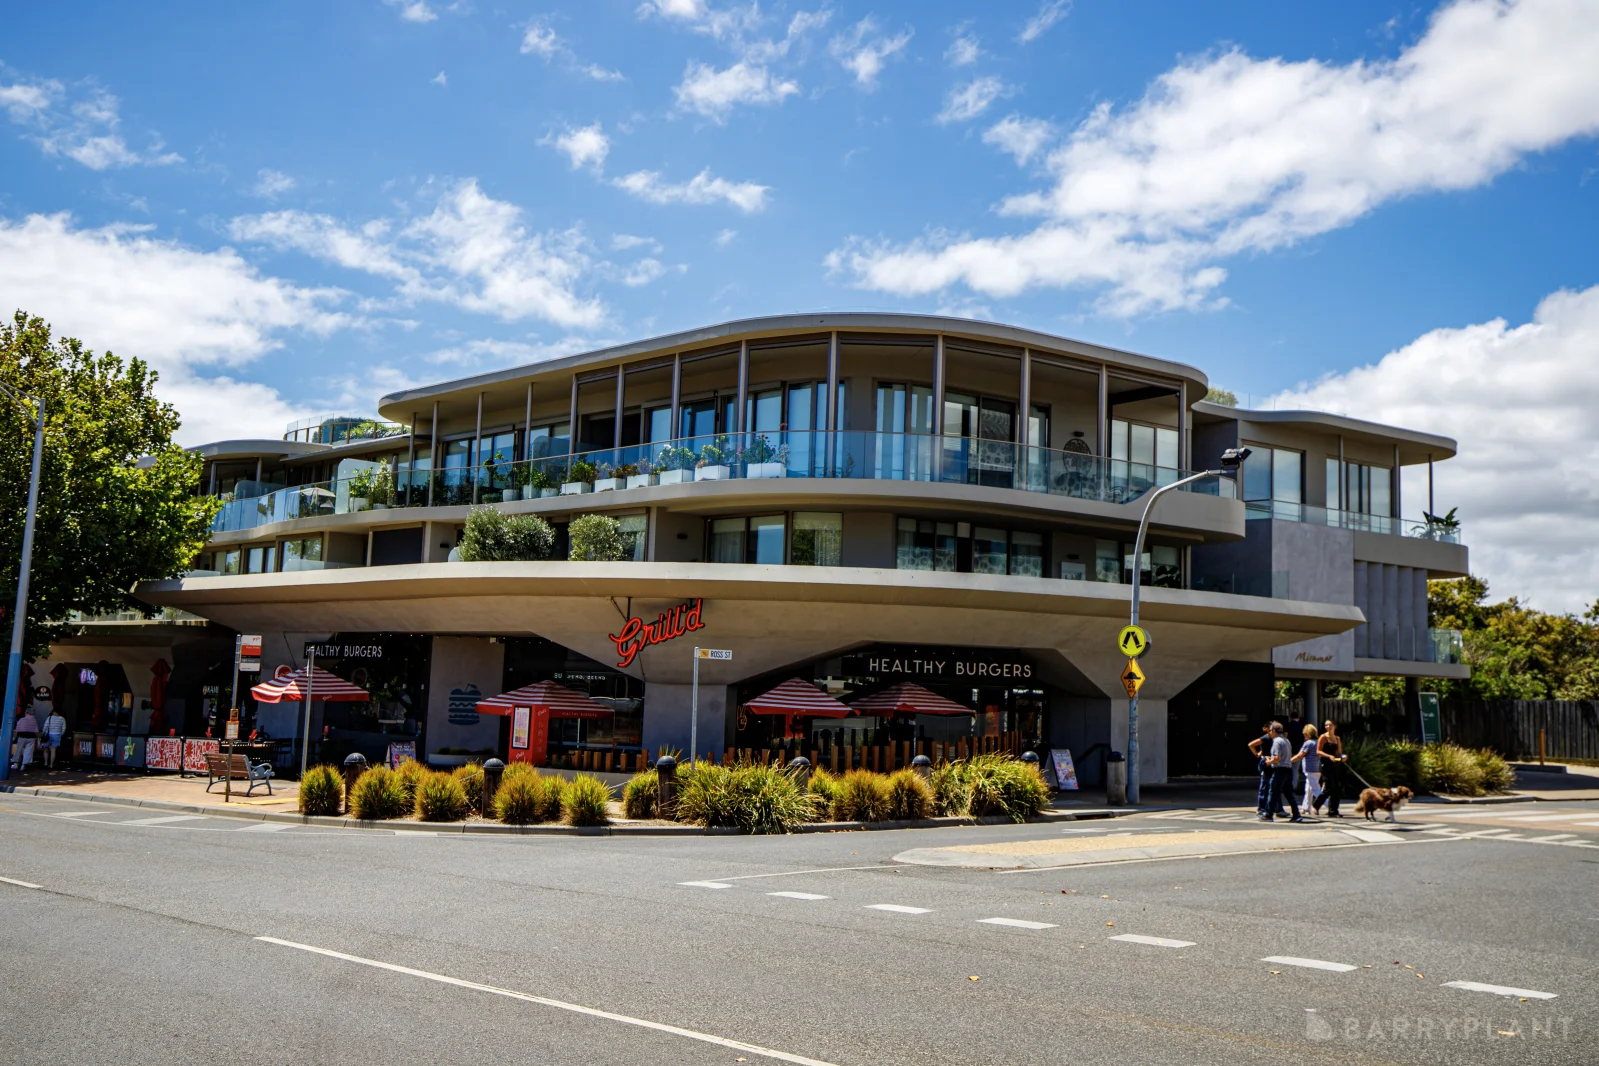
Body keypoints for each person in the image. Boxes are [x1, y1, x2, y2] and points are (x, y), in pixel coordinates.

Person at [1259, 722, 1303, 822]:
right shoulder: (1286, 740)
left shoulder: (1276, 742)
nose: (1269, 733)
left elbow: (1277, 758)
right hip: (1288, 769)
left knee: (1272, 792)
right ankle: (1296, 814)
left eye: (1270, 730)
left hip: (1279, 770)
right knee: (1289, 794)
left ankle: (1268, 815)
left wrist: (1268, 762)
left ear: (1274, 731)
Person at [1316, 720, 1346, 817]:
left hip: (1335, 765)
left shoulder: (1337, 738)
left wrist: (1343, 757)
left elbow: (1339, 753)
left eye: (1330, 725)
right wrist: (1329, 756)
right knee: (1329, 787)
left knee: (1336, 788)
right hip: (1325, 764)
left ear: (1334, 726)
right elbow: (1318, 751)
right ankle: (1316, 804)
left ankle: (1333, 810)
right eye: (1326, 725)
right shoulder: (1323, 737)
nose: (1328, 727)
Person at [1293, 723, 1321, 813]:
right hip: (1317, 769)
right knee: (1308, 789)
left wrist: (1289, 761)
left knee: (1316, 789)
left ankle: (1330, 805)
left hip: (1310, 769)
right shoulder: (1318, 742)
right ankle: (1306, 807)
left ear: (1307, 734)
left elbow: (1300, 755)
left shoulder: (1308, 743)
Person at [1247, 722, 1274, 815]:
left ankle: (1268, 807)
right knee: (1265, 785)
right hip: (1266, 762)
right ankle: (1261, 808)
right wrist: (1257, 754)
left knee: (1269, 785)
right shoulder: (1265, 738)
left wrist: (1260, 752)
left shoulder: (1271, 738)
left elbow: (1265, 748)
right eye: (1270, 729)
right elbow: (1251, 744)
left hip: (1271, 761)